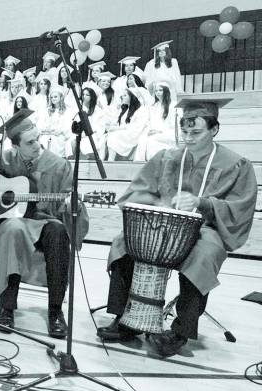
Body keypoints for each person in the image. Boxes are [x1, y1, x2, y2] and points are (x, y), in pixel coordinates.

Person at [97, 96, 257, 357]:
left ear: (214, 129)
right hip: (162, 224)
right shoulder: (166, 157)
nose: (188, 137)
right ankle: (124, 319)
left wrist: (202, 203)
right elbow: (135, 193)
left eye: (196, 132)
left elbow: (240, 208)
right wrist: (161, 202)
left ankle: (180, 332)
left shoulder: (235, 164)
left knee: (204, 255)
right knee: (122, 242)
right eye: (184, 131)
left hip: (206, 229)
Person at [0, 109, 89, 337]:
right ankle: (7, 308)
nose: (37, 145)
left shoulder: (58, 165)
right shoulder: (4, 159)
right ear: (16, 146)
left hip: (44, 222)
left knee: (59, 231)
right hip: (13, 221)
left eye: (38, 139)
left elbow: (68, 197)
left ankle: (55, 311)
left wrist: (72, 205)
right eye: (30, 142)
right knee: (12, 228)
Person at [135, 82, 176, 160]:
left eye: (160, 90)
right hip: (154, 132)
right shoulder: (154, 106)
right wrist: (150, 130)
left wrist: (159, 131)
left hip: (168, 133)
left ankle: (153, 163)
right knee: (142, 139)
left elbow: (174, 125)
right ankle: (140, 164)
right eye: (156, 91)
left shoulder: (173, 105)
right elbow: (150, 122)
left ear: (166, 91)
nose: (158, 93)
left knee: (151, 141)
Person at [106, 87, 149, 161]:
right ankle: (108, 159)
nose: (122, 97)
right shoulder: (126, 109)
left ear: (132, 97)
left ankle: (110, 160)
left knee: (114, 136)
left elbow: (136, 128)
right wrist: (112, 127)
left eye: (125, 95)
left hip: (135, 133)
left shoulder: (142, 110)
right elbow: (119, 123)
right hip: (127, 131)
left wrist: (117, 129)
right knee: (107, 136)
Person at [38, 86, 73, 158]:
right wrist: (47, 130)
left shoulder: (67, 111)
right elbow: (40, 124)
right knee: (43, 140)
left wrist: (58, 130)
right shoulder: (46, 110)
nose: (53, 99)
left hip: (59, 135)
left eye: (55, 97)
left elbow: (67, 126)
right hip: (46, 134)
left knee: (55, 141)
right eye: (51, 97)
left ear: (61, 97)